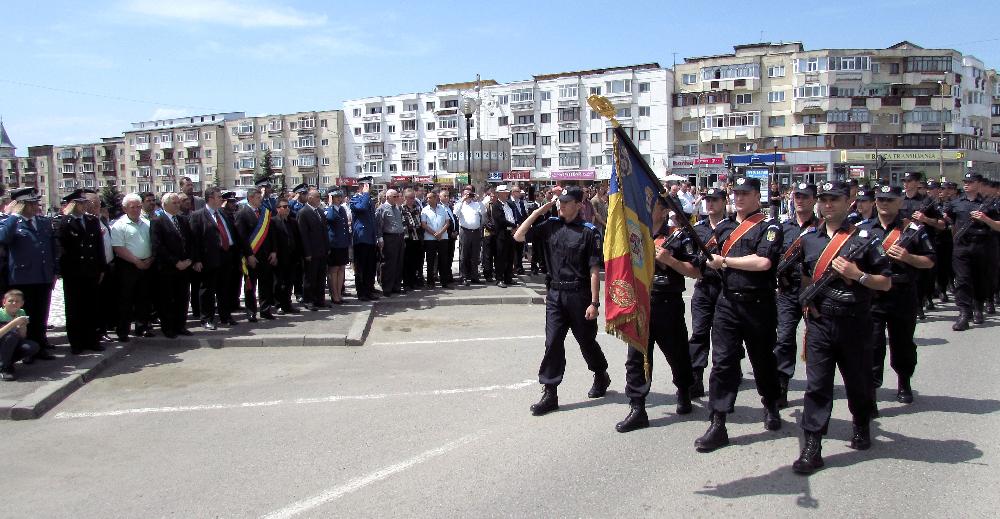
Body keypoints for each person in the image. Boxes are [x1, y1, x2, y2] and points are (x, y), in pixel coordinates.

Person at [791, 180, 893, 475]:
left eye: (834, 199)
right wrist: (808, 303)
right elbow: (807, 277)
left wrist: (858, 275)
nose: (827, 204)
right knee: (818, 386)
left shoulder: (866, 237)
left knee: (858, 382)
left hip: (855, 322)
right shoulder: (810, 239)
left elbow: (885, 282)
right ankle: (813, 445)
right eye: (823, 199)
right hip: (822, 323)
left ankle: (861, 422)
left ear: (847, 201)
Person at [696, 176, 784, 453]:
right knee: (722, 363)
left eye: (746, 193)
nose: (740, 198)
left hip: (758, 305)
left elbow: (763, 261)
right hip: (727, 304)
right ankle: (718, 421)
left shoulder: (769, 227)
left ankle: (770, 404)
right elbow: (708, 259)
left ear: (758, 196)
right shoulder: (726, 229)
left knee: (762, 360)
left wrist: (725, 261)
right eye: (737, 193)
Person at [514, 186, 609, 416]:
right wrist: (538, 212)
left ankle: (600, 374)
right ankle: (550, 392)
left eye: (566, 202)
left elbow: (594, 269)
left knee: (586, 340)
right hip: (555, 294)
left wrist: (594, 303)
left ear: (579, 205)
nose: (561, 205)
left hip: (580, 295)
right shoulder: (551, 225)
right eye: (560, 201)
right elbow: (518, 236)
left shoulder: (589, 232)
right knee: (553, 341)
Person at [616, 196, 700, 433]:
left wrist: (669, 260)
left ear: (663, 211)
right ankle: (637, 407)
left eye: (652, 205)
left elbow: (696, 272)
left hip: (667, 302)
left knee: (677, 354)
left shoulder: (679, 235)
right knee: (636, 358)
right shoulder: (635, 233)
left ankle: (684, 389)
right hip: (640, 302)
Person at [861, 184, 935, 411]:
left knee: (902, 342)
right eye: (881, 199)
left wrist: (908, 256)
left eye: (890, 200)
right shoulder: (863, 230)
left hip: (902, 293)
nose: (884, 203)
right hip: (872, 295)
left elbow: (930, 260)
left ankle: (904, 381)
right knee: (871, 345)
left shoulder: (912, 229)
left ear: (900, 202)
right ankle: (870, 390)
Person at [773, 183, 820, 408]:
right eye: (797, 196)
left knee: (817, 340)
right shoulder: (784, 227)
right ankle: (782, 384)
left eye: (805, 197)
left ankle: (817, 387)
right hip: (787, 290)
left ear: (814, 200)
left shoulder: (821, 228)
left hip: (815, 292)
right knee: (783, 338)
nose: (800, 200)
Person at [0, 187, 58, 360]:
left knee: (41, 313)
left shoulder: (43, 222)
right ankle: (26, 351)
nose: (35, 207)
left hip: (42, 275)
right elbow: (3, 238)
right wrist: (14, 216)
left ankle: (39, 345)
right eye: (31, 204)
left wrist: (54, 271)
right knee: (25, 313)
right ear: (20, 205)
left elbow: (51, 248)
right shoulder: (10, 222)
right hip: (22, 278)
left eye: (36, 203)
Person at [687, 188, 733, 398]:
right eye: (708, 200)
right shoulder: (698, 229)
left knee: (725, 337)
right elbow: (690, 256)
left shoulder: (734, 228)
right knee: (699, 333)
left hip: (727, 288)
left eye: (715, 200)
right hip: (704, 286)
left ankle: (728, 373)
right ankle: (696, 377)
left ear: (724, 202)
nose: (710, 204)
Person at [946, 173, 1000, 330]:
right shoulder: (955, 203)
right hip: (962, 247)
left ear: (978, 184)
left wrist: (985, 219)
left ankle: (978, 308)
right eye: (965, 181)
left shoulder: (989, 204)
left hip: (982, 246)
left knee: (981, 280)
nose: (967, 184)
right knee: (962, 280)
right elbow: (948, 222)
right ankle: (963, 313)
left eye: (970, 182)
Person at [57, 189, 107, 353]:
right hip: (74, 273)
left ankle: (92, 339)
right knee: (74, 309)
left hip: (91, 271)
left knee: (91, 307)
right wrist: (63, 271)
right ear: (73, 204)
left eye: (84, 202)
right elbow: (62, 249)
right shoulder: (64, 222)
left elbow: (99, 247)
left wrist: (101, 268)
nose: (84, 205)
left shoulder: (92, 221)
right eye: (80, 203)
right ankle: (77, 342)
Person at [189, 187, 241, 329]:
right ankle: (207, 318)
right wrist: (197, 260)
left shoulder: (223, 214)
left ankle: (225, 316)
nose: (222, 199)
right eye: (219, 197)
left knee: (225, 289)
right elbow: (195, 240)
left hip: (226, 255)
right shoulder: (198, 216)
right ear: (210, 198)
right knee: (207, 290)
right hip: (208, 259)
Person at [110, 193, 155, 342]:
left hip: (146, 264)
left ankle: (142, 327)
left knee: (144, 298)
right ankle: (123, 330)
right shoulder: (119, 226)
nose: (136, 209)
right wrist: (136, 261)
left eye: (138, 206)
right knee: (126, 300)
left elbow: (153, 243)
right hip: (128, 265)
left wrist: (150, 258)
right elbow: (118, 248)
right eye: (132, 207)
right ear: (125, 208)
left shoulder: (146, 222)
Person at [150, 192, 194, 338]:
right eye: (174, 203)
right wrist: (175, 262)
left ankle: (180, 325)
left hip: (184, 267)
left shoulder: (182, 219)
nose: (178, 205)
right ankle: (168, 327)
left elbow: (189, 241)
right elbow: (158, 246)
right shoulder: (157, 220)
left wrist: (189, 260)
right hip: (167, 268)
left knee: (182, 297)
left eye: (178, 202)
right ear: (165, 204)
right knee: (167, 299)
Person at [234, 187, 277, 322]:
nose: (261, 200)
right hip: (251, 255)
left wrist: (274, 251)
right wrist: (248, 255)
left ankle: (265, 310)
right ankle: (251, 311)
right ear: (251, 198)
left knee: (266, 284)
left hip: (265, 255)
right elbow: (241, 237)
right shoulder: (242, 213)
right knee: (250, 285)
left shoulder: (265, 213)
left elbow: (271, 234)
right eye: (258, 198)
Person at [298, 189, 330, 311]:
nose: (319, 199)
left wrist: (327, 247)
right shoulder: (303, 212)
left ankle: (319, 299)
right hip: (311, 252)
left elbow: (324, 232)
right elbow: (303, 235)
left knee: (321, 277)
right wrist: (307, 252)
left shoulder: (320, 212)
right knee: (310, 277)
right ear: (310, 198)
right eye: (317, 197)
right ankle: (309, 300)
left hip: (322, 250)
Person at [350, 183, 380, 301]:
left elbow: (372, 219)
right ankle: (361, 293)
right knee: (361, 268)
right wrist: (365, 194)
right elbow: (361, 208)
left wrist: (377, 236)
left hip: (370, 238)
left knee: (370, 267)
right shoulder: (355, 199)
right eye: (366, 187)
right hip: (361, 238)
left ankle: (369, 290)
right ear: (360, 188)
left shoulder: (368, 200)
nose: (369, 190)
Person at [0, 290, 39, 380]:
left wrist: (23, 326)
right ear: (4, 302)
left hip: (12, 343)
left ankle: (7, 362)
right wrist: (13, 323)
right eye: (10, 301)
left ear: (22, 303)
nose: (14, 303)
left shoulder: (21, 312)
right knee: (10, 336)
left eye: (17, 301)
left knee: (32, 346)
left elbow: (22, 337)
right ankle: (3, 368)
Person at [271, 198, 300, 314]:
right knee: (278, 283)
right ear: (278, 209)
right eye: (284, 206)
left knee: (289, 282)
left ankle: (288, 304)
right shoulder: (273, 221)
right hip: (280, 257)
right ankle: (278, 305)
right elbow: (272, 240)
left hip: (291, 256)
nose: (287, 208)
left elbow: (297, 239)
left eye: (288, 206)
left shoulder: (292, 221)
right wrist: (274, 254)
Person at [375, 189, 406, 297]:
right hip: (389, 238)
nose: (397, 198)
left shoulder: (397, 208)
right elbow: (378, 225)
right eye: (395, 197)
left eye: (397, 196)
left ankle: (396, 286)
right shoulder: (381, 209)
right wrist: (380, 239)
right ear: (388, 197)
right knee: (389, 264)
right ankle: (387, 287)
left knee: (399, 262)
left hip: (399, 237)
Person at [420, 189, 452, 289]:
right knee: (430, 261)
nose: (427, 199)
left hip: (443, 238)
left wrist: (440, 233)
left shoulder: (442, 208)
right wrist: (434, 233)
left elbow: (447, 222)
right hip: (430, 239)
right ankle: (430, 282)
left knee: (443, 260)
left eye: (430, 197)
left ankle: (444, 281)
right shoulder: (424, 210)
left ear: (435, 198)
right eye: (427, 198)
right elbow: (424, 224)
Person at [454, 186, 485, 286]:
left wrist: (479, 200)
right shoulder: (460, 204)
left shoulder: (476, 204)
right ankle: (463, 276)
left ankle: (474, 276)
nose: (468, 196)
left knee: (475, 255)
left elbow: (483, 212)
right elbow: (456, 213)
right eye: (466, 194)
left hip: (475, 232)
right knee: (464, 255)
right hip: (465, 231)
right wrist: (462, 200)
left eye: (470, 193)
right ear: (463, 194)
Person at [326, 190, 351, 304]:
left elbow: (345, 225)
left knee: (341, 269)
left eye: (340, 196)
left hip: (342, 243)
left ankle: (339, 294)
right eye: (336, 197)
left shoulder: (341, 209)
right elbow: (330, 219)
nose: (339, 199)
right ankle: (334, 295)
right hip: (334, 244)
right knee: (334, 270)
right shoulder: (329, 210)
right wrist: (330, 205)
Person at [489, 185, 517, 288]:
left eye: (507, 192)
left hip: (511, 234)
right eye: (504, 193)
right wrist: (514, 225)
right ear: (499, 194)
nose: (507, 194)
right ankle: (499, 279)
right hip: (501, 234)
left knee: (510, 257)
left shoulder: (508, 204)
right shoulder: (496, 205)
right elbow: (501, 220)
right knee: (500, 257)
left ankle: (508, 277)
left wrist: (515, 226)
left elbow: (513, 216)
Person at [401, 188, 424, 290]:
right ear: (405, 198)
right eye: (411, 198)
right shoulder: (401, 209)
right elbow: (403, 224)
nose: (413, 199)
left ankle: (415, 280)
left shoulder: (417, 208)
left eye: (413, 197)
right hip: (407, 238)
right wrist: (412, 226)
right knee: (407, 262)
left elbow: (419, 222)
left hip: (417, 238)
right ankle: (407, 282)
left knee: (417, 261)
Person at [510, 186, 529, 275]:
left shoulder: (521, 202)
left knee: (520, 248)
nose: (519, 193)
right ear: (513, 192)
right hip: (513, 228)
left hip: (521, 228)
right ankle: (513, 268)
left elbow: (524, 214)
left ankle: (519, 267)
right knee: (512, 249)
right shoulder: (509, 202)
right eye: (518, 191)